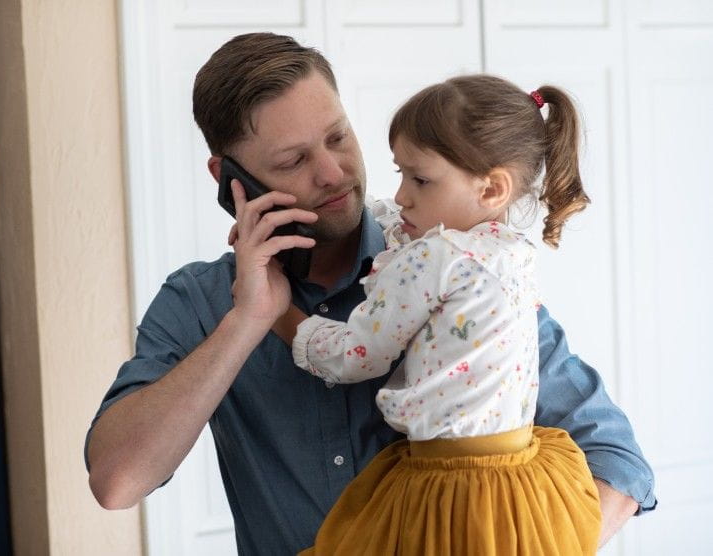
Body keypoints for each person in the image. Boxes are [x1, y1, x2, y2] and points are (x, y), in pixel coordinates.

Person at [85, 33, 656, 555]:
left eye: (338, 137)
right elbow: (118, 481)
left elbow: (619, 464)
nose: (333, 173)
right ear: (230, 180)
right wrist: (249, 320)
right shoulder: (199, 301)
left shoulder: (461, 272)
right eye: (293, 160)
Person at [270, 75, 600, 554]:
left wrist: (279, 313)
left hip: (449, 484)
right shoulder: (511, 253)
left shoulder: (437, 258)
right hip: (517, 482)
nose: (402, 195)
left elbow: (356, 356)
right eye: (401, 174)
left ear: (491, 189)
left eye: (420, 179)